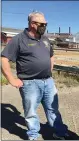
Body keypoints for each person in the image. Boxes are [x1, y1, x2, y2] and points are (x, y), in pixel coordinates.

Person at [1, 11, 70, 140]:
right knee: (31, 112)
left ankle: (59, 133)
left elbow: (51, 55)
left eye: (46, 24)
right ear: (32, 24)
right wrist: (11, 79)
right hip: (30, 83)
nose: (45, 26)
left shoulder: (45, 39)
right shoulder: (19, 39)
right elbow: (4, 58)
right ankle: (33, 136)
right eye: (42, 24)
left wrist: (49, 71)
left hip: (48, 82)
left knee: (53, 109)